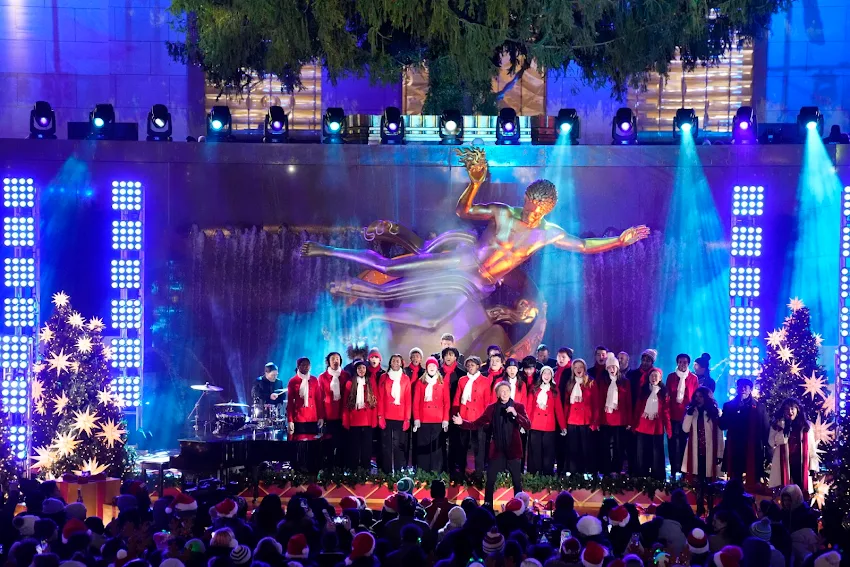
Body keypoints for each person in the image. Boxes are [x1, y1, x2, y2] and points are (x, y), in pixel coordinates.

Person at [453, 380, 530, 507]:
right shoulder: (492, 408)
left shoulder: (518, 407)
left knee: (517, 482)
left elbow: (527, 425)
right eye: (501, 392)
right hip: (497, 451)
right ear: (497, 394)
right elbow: (476, 424)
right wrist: (462, 422)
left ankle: (520, 508)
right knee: (490, 482)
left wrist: (516, 414)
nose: (504, 394)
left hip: (513, 451)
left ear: (511, 392)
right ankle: (488, 507)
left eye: (507, 391)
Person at [719, 378, 769, 489]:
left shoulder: (759, 407)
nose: (742, 389)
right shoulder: (729, 406)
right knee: (735, 479)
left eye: (745, 387)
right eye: (740, 386)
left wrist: (768, 449)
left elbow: (765, 429)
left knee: (754, 479)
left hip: (753, 447)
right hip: (735, 447)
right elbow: (722, 425)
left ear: (750, 389)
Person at [682, 387, 723, 516]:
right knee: (698, 481)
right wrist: (689, 414)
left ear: (706, 397)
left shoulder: (715, 412)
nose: (698, 398)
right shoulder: (692, 411)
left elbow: (719, 434)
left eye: (701, 396)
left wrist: (720, 453)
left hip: (710, 451)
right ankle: (700, 508)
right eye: (696, 396)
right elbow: (685, 429)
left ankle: (711, 508)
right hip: (696, 450)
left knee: (709, 481)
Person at [452, 356, 492, 479]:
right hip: (463, 418)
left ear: (478, 366)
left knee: (479, 450)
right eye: (468, 365)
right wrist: (456, 414)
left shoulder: (485, 381)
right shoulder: (462, 380)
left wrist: (486, 420)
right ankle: (461, 475)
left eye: (473, 365)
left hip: (478, 420)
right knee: (462, 448)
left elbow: (487, 402)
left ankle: (479, 476)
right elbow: (457, 399)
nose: (470, 367)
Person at [768, 398, 819, 494]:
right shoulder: (777, 425)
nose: (790, 412)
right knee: (786, 493)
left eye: (792, 409)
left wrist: (813, 467)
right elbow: (771, 442)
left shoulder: (806, 426)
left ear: (797, 410)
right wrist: (784, 430)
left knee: (800, 491)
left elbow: (812, 448)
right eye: (786, 409)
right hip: (783, 463)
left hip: (800, 463)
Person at [595, 353, 632, 475]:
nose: (612, 369)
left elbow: (628, 403)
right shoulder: (602, 382)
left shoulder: (625, 382)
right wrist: (597, 420)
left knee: (618, 446)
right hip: (605, 418)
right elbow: (599, 402)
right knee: (604, 446)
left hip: (620, 420)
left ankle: (616, 469)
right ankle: (605, 469)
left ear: (617, 368)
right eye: (609, 367)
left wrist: (629, 421)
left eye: (614, 367)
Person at [286, 358, 325, 473]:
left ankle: (311, 470)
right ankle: (298, 470)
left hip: (312, 418)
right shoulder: (293, 381)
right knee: (299, 446)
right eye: (303, 365)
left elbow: (318, 399)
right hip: (299, 418)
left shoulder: (314, 380)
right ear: (298, 366)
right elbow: (290, 402)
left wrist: (321, 416)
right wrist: (290, 420)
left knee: (312, 446)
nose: (306, 367)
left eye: (308, 365)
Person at [632, 368, 671, 480]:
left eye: (656, 376)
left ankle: (657, 477)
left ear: (660, 378)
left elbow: (666, 412)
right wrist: (634, 424)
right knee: (641, 452)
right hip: (642, 425)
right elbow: (638, 409)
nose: (653, 378)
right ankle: (641, 475)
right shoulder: (643, 391)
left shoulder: (664, 392)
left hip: (657, 426)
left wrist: (668, 428)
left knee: (657, 453)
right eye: (651, 376)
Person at [413, 357, 450, 472]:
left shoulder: (442, 382)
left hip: (438, 420)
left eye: (434, 366)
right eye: (430, 366)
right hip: (424, 419)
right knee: (423, 447)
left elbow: (446, 402)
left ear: (437, 368)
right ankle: (423, 471)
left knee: (437, 448)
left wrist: (445, 419)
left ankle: (436, 471)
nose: (432, 368)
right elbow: (416, 402)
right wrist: (417, 419)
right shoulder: (420, 382)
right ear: (426, 368)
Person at [527, 366, 566, 475]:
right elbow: (529, 407)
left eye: (549, 374)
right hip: (535, 424)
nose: (547, 376)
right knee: (536, 451)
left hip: (549, 425)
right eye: (545, 373)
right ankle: (535, 475)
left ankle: (547, 475)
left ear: (552, 376)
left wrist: (563, 426)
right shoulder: (534, 388)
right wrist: (526, 423)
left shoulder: (554, 390)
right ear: (541, 375)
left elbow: (558, 409)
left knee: (548, 452)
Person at [559, 358, 595, 474]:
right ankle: (573, 476)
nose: (578, 369)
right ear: (572, 370)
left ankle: (587, 476)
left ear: (585, 368)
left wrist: (595, 422)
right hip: (572, 420)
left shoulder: (591, 382)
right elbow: (566, 405)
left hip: (586, 421)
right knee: (572, 449)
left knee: (586, 450)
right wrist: (563, 424)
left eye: (581, 367)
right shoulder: (570, 383)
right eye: (575, 367)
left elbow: (596, 404)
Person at [378, 354, 413, 473]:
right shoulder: (384, 377)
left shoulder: (405, 378)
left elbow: (408, 400)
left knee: (399, 446)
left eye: (398, 361)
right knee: (386, 445)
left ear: (401, 363)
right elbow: (380, 398)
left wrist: (407, 419)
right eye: (393, 360)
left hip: (400, 416)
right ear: (390, 363)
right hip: (386, 416)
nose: (395, 363)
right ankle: (387, 471)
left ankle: (398, 470)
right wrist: (380, 416)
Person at [666, 353, 698, 479]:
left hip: (687, 416)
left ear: (688, 364)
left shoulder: (693, 378)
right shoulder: (671, 377)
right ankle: (673, 470)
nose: (682, 364)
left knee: (685, 444)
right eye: (680, 361)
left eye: (685, 362)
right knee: (672, 443)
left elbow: (695, 397)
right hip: (673, 415)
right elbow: (667, 396)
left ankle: (684, 471)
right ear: (677, 363)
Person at [342, 361, 378, 470]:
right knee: (354, 446)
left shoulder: (371, 383)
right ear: (355, 370)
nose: (361, 370)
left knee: (367, 447)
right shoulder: (349, 383)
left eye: (363, 368)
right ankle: (353, 470)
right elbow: (345, 404)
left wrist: (375, 419)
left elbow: (376, 402)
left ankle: (366, 469)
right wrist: (345, 420)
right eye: (359, 368)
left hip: (367, 419)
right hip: (354, 420)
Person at [319, 352, 350, 470]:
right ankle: (329, 469)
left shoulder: (346, 375)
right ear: (328, 361)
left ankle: (341, 468)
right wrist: (321, 416)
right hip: (329, 415)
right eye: (333, 359)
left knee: (342, 443)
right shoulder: (322, 377)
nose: (335, 361)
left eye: (337, 358)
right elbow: (320, 397)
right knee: (329, 443)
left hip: (343, 415)